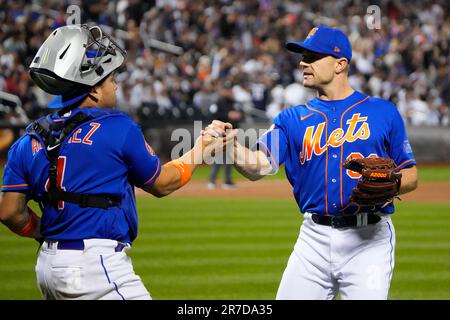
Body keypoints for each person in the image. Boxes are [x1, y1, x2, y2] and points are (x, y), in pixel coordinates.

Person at [0, 24, 219, 300]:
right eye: (110, 79)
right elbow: (163, 184)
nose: (115, 84)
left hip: (46, 268)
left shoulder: (29, 137)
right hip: (96, 266)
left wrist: (43, 231)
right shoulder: (117, 126)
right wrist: (202, 148)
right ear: (93, 91)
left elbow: (9, 212)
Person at [205, 26, 418, 300]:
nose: (303, 62)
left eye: (314, 56)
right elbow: (258, 165)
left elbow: (411, 174)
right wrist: (231, 146)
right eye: (303, 56)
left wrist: (392, 185)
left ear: (340, 64)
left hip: (369, 239)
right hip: (313, 240)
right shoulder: (291, 119)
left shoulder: (383, 112)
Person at [207, 80, 242, 189]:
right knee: (219, 157)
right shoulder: (219, 102)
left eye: (229, 89)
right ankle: (212, 181)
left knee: (230, 158)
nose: (228, 92)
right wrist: (228, 114)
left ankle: (227, 181)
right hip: (221, 133)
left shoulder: (234, 102)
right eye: (226, 90)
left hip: (231, 133)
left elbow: (242, 114)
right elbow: (213, 115)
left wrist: (238, 115)